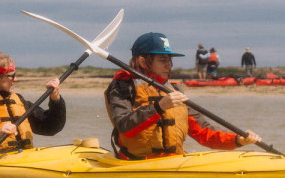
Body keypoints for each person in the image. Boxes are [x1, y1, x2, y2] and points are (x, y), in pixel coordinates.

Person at [105, 32, 261, 160]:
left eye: (170, 60)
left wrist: (237, 140)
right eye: (163, 60)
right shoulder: (123, 86)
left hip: (173, 161)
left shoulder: (173, 89)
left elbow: (203, 132)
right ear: (143, 61)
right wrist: (159, 107)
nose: (169, 65)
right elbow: (124, 127)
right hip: (135, 163)